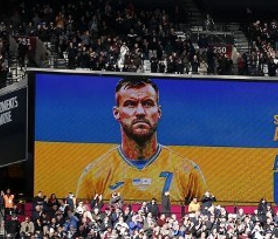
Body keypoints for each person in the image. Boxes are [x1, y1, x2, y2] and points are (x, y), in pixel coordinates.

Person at [76, 78, 208, 203]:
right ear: (117, 113)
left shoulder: (189, 172)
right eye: (130, 104)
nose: (140, 112)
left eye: (147, 103)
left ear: (159, 112)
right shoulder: (94, 174)